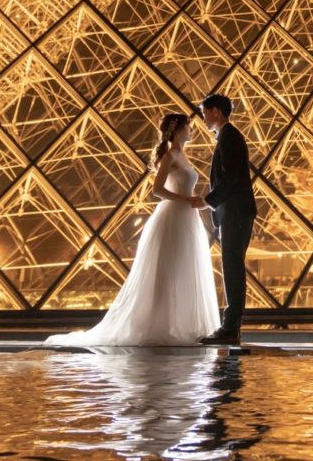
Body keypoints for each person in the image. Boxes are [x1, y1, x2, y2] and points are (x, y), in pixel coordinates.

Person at [47, 113, 220, 346]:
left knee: (184, 270)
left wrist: (188, 201)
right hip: (175, 216)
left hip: (187, 217)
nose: (192, 131)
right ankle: (163, 324)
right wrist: (185, 200)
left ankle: (181, 323)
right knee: (169, 271)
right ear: (178, 130)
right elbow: (157, 190)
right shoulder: (170, 155)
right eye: (189, 127)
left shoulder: (182, 155)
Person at [194, 94, 258, 345]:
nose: (203, 117)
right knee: (231, 267)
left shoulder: (230, 137)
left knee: (232, 267)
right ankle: (230, 325)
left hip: (236, 212)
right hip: (233, 211)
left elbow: (230, 178)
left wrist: (206, 200)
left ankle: (230, 326)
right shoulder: (228, 136)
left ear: (217, 112)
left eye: (204, 112)